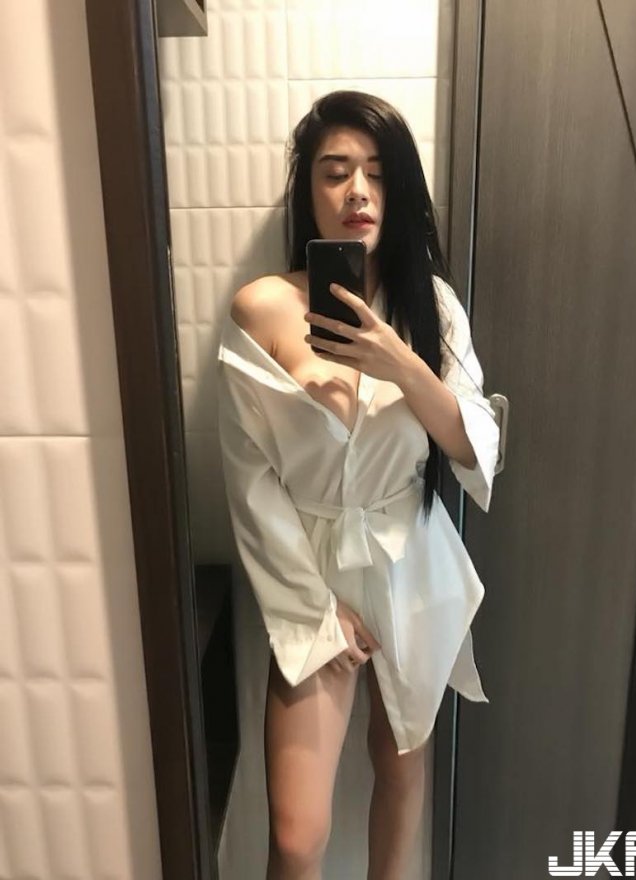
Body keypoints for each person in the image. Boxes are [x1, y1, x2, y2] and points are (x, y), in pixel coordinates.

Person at [216, 90, 500, 880]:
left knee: (400, 764)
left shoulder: (430, 307)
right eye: (335, 171)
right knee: (296, 835)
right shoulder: (263, 307)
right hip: (308, 564)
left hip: (410, 556)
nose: (358, 192)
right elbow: (249, 479)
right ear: (307, 188)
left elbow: (473, 445)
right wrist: (315, 607)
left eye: (376, 172)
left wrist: (399, 362)